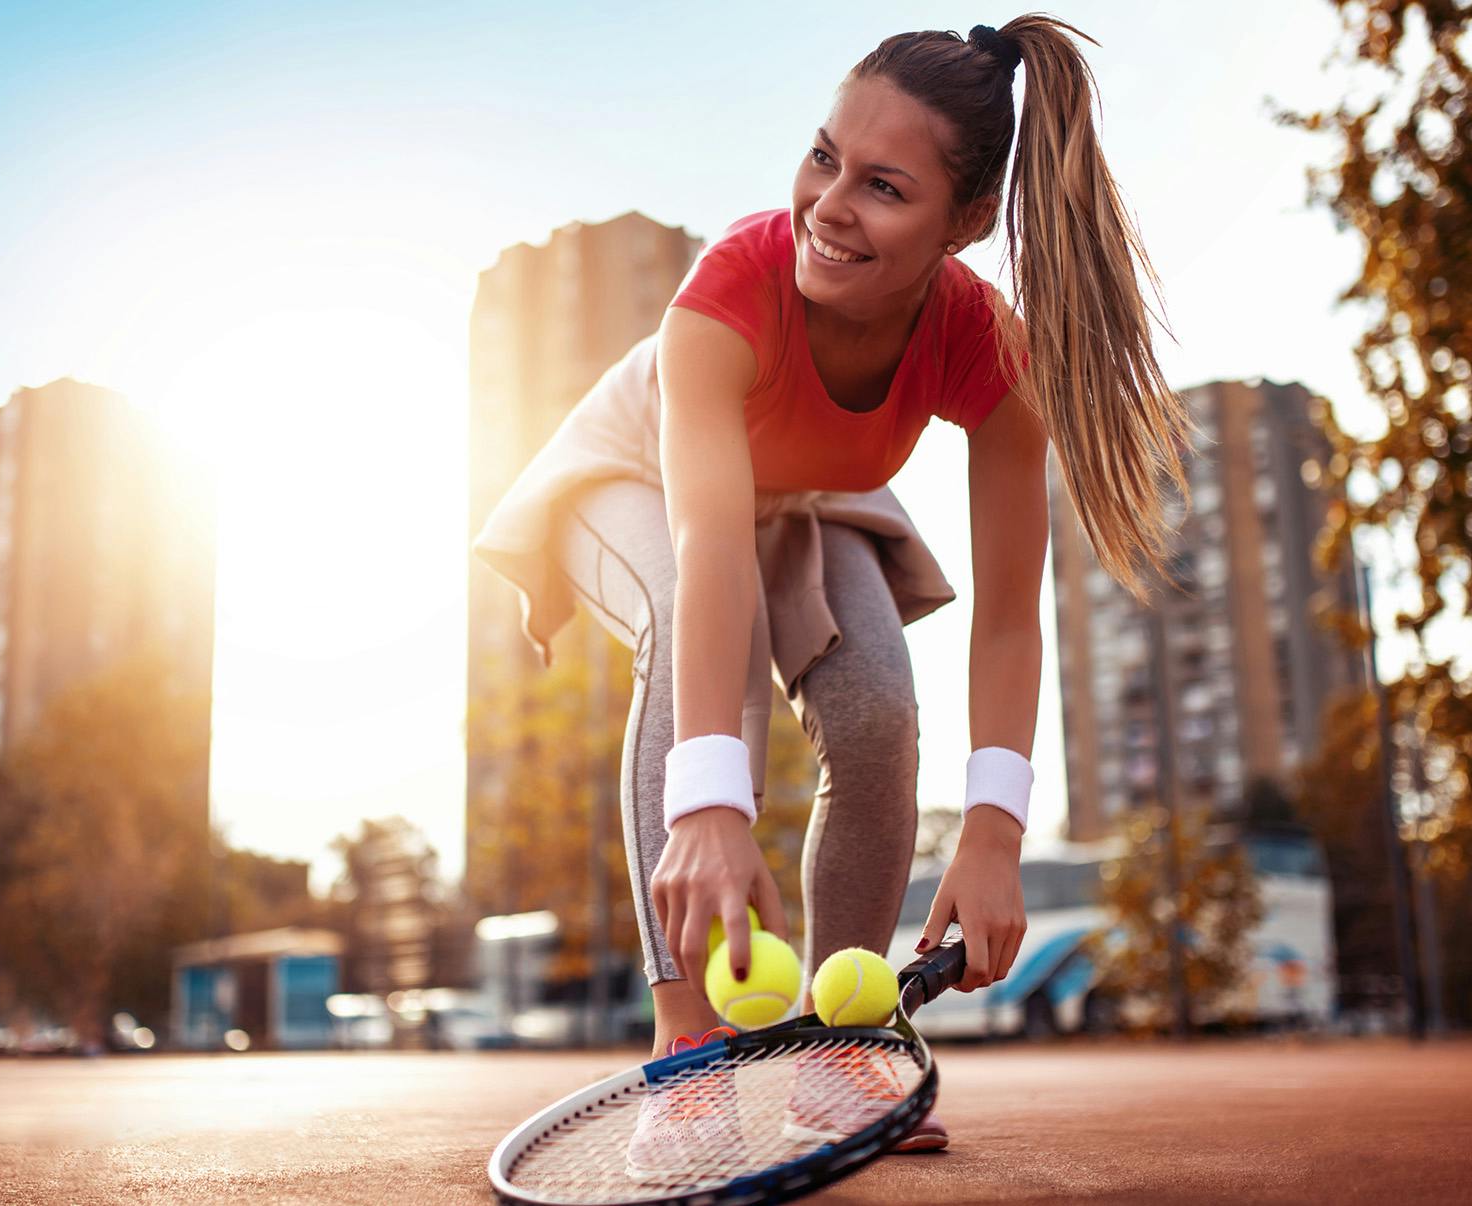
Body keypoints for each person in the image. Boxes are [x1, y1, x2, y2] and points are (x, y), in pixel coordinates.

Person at [471, 16, 1196, 1162]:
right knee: (699, 630)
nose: (827, 204)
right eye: (823, 157)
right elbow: (710, 547)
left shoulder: (988, 349)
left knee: (878, 710)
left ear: (965, 224)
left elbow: (1011, 620)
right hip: (640, 476)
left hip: (806, 499)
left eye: (883, 187)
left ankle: (834, 1050)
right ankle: (688, 1054)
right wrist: (709, 805)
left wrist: (996, 834)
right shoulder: (726, 297)